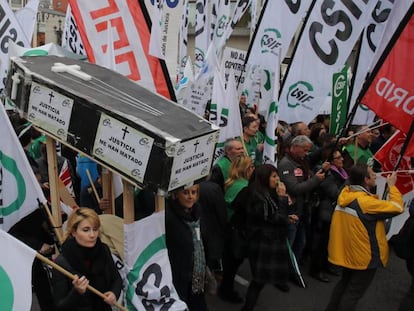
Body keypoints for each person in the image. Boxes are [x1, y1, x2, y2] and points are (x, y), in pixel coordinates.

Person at [325, 164, 404, 311]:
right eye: (372, 174)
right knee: (353, 293)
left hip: (349, 252)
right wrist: (392, 186)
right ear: (365, 180)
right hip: (365, 256)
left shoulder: (345, 194)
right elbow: (398, 207)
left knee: (344, 284)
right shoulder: (366, 203)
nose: (376, 175)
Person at [52, 208, 122, 311]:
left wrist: (114, 293)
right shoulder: (62, 262)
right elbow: (60, 306)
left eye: (95, 229)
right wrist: (76, 292)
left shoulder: (103, 249)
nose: (92, 235)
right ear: (74, 232)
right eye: (86, 230)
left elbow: (116, 279)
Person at [241, 164, 291, 311]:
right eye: (274, 176)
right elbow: (276, 219)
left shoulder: (264, 193)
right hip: (263, 243)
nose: (278, 179)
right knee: (258, 280)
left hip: (265, 240)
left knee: (259, 279)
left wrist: (287, 217)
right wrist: (282, 199)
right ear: (264, 178)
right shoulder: (259, 198)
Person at [278, 135, 327, 273]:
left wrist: (317, 174)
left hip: (303, 208)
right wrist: (316, 180)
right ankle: (282, 272)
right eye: (304, 150)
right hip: (292, 210)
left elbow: (307, 177)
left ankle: (293, 270)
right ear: (295, 147)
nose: (306, 153)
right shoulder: (286, 164)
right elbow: (294, 189)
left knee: (301, 242)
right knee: (290, 243)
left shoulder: (302, 161)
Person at [219, 155, 255, 303]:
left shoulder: (232, 182)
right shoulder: (245, 188)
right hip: (236, 232)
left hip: (229, 228)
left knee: (229, 265)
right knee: (232, 266)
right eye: (252, 167)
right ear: (246, 169)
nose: (254, 169)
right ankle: (226, 291)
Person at [166, 184, 207, 311]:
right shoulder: (168, 216)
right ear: (176, 194)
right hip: (178, 277)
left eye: (194, 192)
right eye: (186, 193)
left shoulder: (198, 212)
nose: (190, 197)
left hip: (197, 278)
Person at [309, 148, 348, 282]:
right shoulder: (328, 175)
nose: (342, 159)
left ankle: (326, 265)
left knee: (329, 242)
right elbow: (337, 194)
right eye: (338, 158)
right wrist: (349, 184)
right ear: (330, 162)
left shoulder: (342, 173)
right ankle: (316, 269)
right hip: (325, 212)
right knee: (321, 242)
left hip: (334, 212)